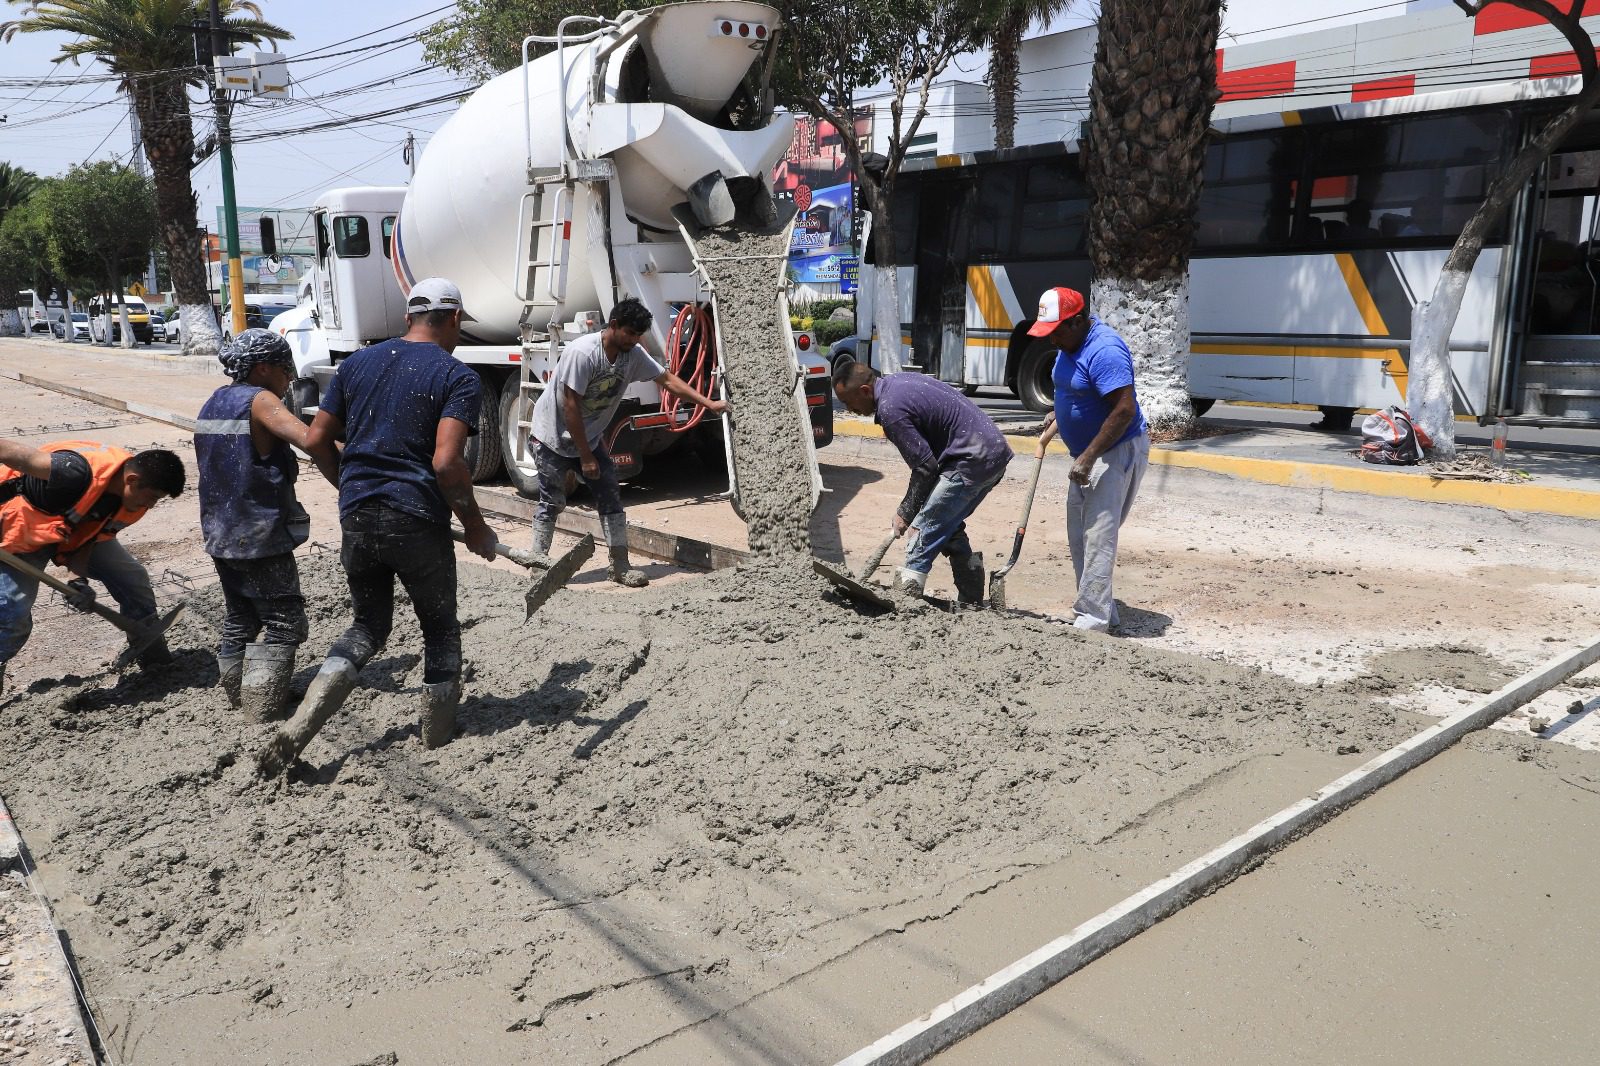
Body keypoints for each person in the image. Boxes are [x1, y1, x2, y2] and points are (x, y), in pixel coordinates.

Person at [259, 278, 497, 775]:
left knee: (368, 626)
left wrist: (348, 486)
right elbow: (448, 464)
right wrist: (475, 526)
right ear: (453, 319)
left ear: (410, 317)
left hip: (358, 518)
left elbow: (317, 438)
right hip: (416, 520)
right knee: (440, 629)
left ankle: (301, 727)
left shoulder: (357, 364)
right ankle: (437, 737)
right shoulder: (458, 376)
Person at [528, 296, 728, 587]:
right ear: (613, 325)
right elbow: (570, 406)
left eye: (638, 335)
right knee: (553, 501)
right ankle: (538, 565)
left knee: (610, 495)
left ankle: (620, 566)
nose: (635, 340)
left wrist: (707, 403)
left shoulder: (632, 354)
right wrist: (585, 457)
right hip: (552, 438)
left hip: (590, 438)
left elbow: (668, 380)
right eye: (630, 333)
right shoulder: (583, 353)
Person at [194, 329, 338, 721]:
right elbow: (310, 440)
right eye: (284, 368)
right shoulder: (260, 400)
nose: (289, 377)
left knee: (241, 614)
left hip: (219, 530)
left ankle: (238, 694)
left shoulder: (214, 402)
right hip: (257, 532)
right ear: (261, 369)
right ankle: (262, 705)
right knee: (284, 619)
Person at [0, 438, 186, 689]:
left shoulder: (121, 496)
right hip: (19, 535)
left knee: (133, 579)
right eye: (152, 497)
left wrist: (76, 579)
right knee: (12, 614)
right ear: (131, 480)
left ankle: (154, 659)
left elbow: (88, 536)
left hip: (62, 531)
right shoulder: (71, 472)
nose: (151, 505)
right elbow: (6, 450)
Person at [833, 360, 1011, 603]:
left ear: (864, 391)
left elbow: (925, 468)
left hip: (971, 460)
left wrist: (905, 512)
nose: (848, 409)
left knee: (922, 530)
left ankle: (906, 602)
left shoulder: (890, 411)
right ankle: (971, 602)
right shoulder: (896, 383)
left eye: (847, 402)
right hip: (992, 453)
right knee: (947, 523)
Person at [1029, 287, 1149, 632]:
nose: (1051, 339)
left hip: (1114, 450)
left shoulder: (1105, 350)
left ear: (1077, 321)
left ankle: (1093, 619)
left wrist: (1089, 456)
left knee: (1098, 533)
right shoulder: (1068, 345)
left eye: (1055, 331)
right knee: (1079, 532)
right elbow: (1073, 388)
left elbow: (1124, 410)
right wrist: (1059, 414)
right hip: (1088, 453)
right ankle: (1098, 609)